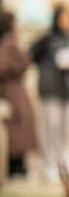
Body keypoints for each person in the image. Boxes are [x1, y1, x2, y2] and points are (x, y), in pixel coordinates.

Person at [30, 3, 69, 182]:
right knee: (50, 127)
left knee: (66, 129)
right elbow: (32, 56)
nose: (67, 22)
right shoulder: (46, 39)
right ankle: (49, 164)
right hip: (50, 89)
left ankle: (65, 162)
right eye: (64, 18)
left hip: (67, 89)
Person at [0, 10, 38, 178]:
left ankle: (17, 165)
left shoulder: (8, 42)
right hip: (12, 90)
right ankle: (16, 167)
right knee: (17, 128)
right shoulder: (9, 43)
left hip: (13, 89)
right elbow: (4, 66)